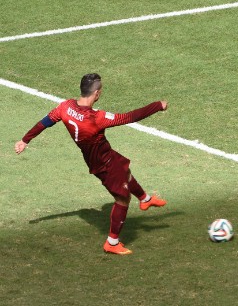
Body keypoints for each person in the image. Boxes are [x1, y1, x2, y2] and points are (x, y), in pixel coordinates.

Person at [14, 73, 168, 255]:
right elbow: (129, 117)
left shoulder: (65, 107)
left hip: (103, 155)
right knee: (122, 199)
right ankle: (112, 242)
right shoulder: (96, 118)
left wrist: (25, 140)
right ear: (96, 93)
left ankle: (145, 200)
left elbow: (45, 122)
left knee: (125, 171)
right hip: (104, 164)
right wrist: (158, 105)